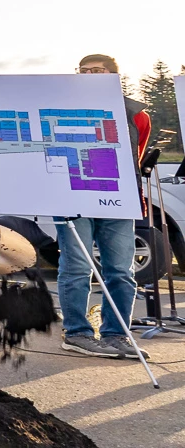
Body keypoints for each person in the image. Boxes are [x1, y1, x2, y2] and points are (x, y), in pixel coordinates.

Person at [57, 53, 145, 358]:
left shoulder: (136, 114)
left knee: (121, 270)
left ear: (112, 76)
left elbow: (135, 156)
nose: (88, 75)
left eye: (96, 71)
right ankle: (77, 333)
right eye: (83, 71)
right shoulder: (59, 106)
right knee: (77, 267)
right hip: (72, 197)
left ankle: (116, 334)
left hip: (117, 198)